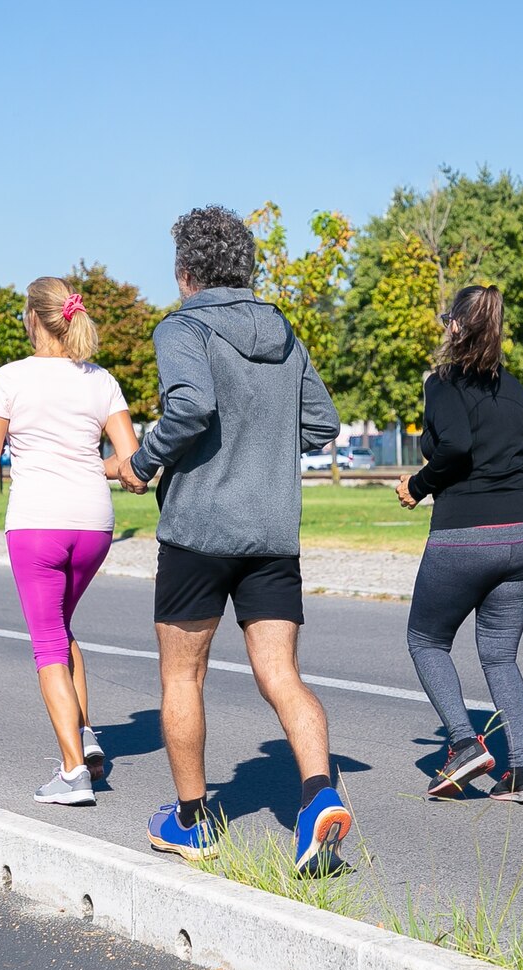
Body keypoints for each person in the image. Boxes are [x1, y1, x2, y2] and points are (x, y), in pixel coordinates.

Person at [117, 205, 348, 873]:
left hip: (199, 531)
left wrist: (141, 462)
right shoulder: (284, 332)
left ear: (187, 273)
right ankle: (317, 796)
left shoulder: (183, 328)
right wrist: (266, 450)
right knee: (281, 675)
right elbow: (322, 423)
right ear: (247, 268)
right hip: (272, 532)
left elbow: (190, 406)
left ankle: (192, 821)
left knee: (182, 677)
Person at [0, 276, 140, 808]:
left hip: (37, 523)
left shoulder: (8, 379)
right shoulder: (101, 380)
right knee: (62, 628)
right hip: (94, 525)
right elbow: (132, 464)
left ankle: (73, 774)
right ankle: (86, 737)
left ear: (31, 318)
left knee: (47, 644)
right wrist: (91, 464)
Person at [396, 285, 523, 804]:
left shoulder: (441, 384)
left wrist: (418, 487)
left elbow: (457, 446)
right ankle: (520, 772)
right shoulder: (516, 391)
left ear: (455, 327)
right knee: (499, 656)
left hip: (463, 536)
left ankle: (465, 743)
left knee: (426, 640)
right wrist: (506, 487)